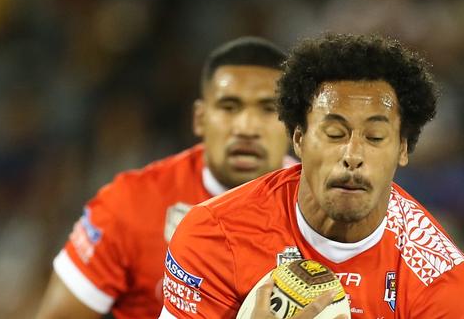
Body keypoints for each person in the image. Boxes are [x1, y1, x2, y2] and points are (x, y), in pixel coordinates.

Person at [159, 33, 464, 318]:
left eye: (374, 137)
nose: (352, 157)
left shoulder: (440, 281)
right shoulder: (216, 233)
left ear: (402, 149)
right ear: (299, 139)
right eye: (334, 133)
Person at [35, 36, 293, 319]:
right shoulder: (130, 203)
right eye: (229, 107)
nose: (246, 127)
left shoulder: (322, 204)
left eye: (268, 109)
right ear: (200, 118)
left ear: (294, 124)